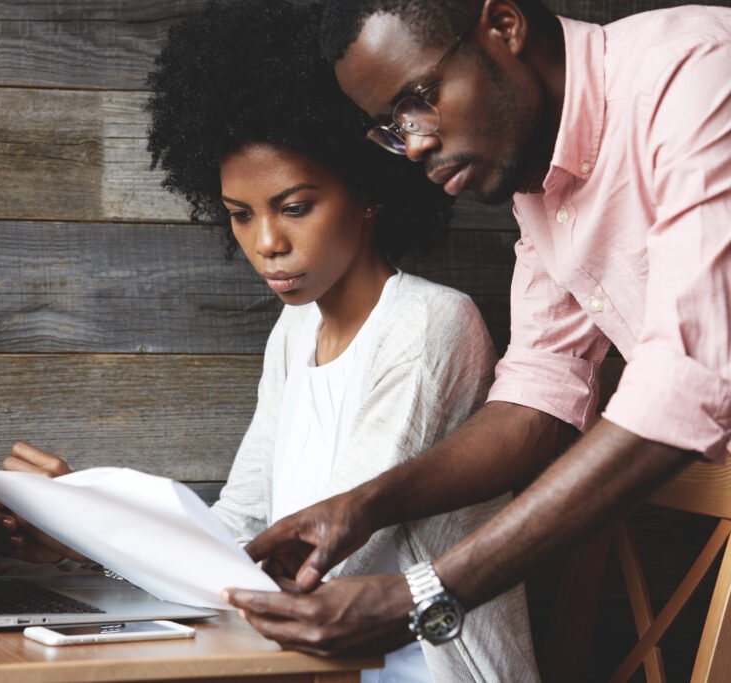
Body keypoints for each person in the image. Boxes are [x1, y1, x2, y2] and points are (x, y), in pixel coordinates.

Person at [0, 1, 541, 679]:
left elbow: (314, 566)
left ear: (368, 191)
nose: (266, 244)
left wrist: (102, 529)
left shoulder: (428, 326)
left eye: (295, 207)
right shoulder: (295, 329)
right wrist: (74, 537)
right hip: (296, 659)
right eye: (240, 216)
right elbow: (240, 527)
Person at [223, 0, 731, 660]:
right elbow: (538, 398)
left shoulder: (696, 74)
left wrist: (426, 595)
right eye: (392, 128)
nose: (417, 144)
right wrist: (366, 505)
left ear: (504, 25)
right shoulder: (543, 184)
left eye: (420, 100)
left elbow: (686, 381)